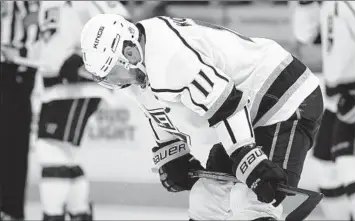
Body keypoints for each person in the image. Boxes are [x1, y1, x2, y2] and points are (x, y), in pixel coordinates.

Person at [80, 14, 324, 220]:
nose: (112, 82)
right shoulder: (139, 65)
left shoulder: (171, 57)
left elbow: (226, 104)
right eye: (105, 78)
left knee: (250, 201)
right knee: (205, 201)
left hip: (284, 96)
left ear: (129, 52)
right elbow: (156, 108)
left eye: (112, 72)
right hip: (246, 109)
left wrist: (247, 157)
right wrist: (173, 154)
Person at [34, 2, 131, 221]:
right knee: (64, 156)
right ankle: (79, 214)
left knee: (50, 151)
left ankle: (55, 215)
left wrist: (85, 63)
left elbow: (122, 26)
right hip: (58, 85)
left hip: (74, 85)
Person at [292, 1, 355, 220]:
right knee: (326, 172)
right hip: (336, 101)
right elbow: (306, 35)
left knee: (351, 168)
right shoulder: (328, 4)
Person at [0, 1, 40, 220]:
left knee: (12, 144)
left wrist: (21, 51)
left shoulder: (28, 4)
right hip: (12, 70)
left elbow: (36, 25)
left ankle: (11, 210)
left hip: (15, 69)